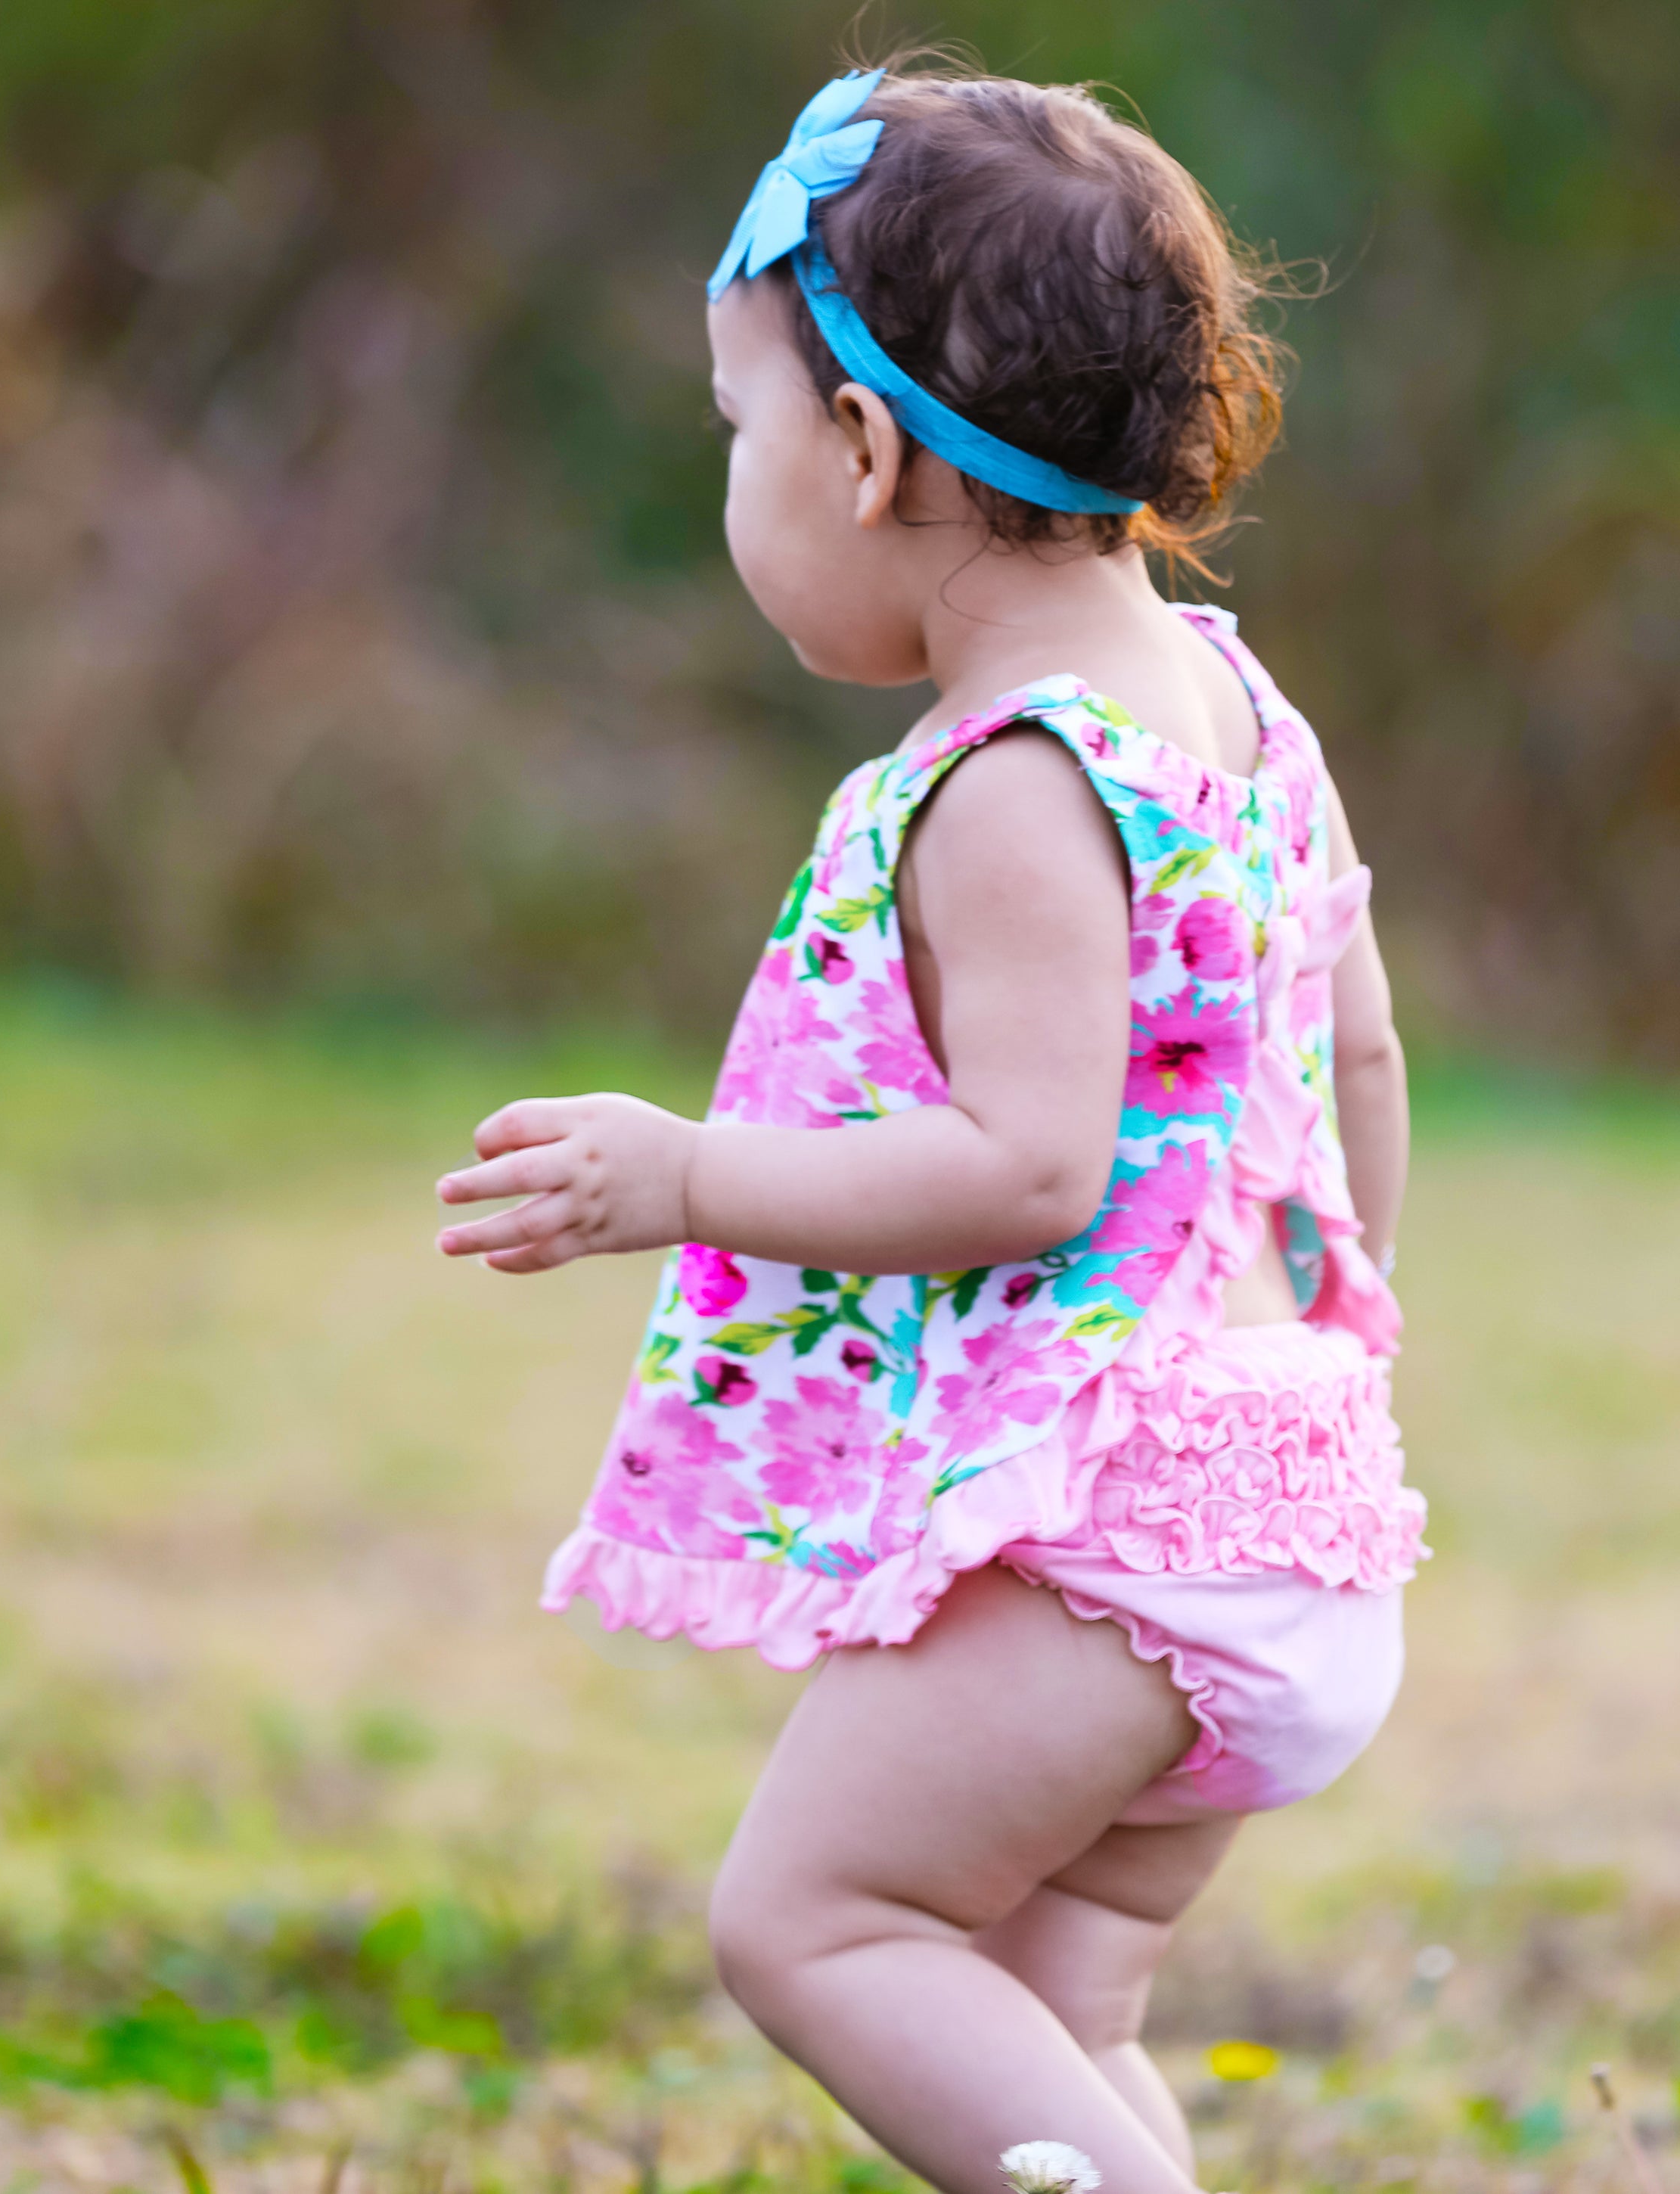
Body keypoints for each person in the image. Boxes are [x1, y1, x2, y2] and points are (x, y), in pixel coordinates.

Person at [435, 59, 1425, 2194]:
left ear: (865, 450)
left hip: (1126, 1535)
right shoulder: (1250, 718)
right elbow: (1353, 1061)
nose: (737, 480)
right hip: (1294, 1491)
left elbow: (1026, 1167)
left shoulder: (1008, 783)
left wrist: (685, 1172)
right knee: (1040, 2012)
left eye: (738, 428)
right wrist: (1327, 1361)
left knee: (811, 1919)